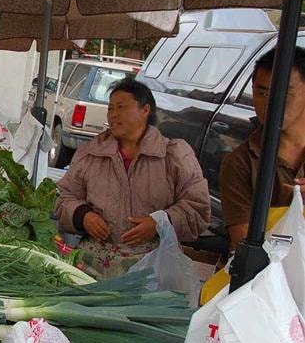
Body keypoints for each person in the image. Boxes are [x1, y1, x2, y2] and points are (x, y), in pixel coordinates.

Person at [55, 79, 210, 279]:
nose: (113, 115)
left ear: (145, 110)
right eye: (110, 109)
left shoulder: (174, 155)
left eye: (121, 107)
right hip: (92, 268)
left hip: (153, 269)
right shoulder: (90, 153)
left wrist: (159, 223)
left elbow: (198, 209)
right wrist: (83, 216)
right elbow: (64, 198)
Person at [221, 46, 305, 250]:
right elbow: (243, 249)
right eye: (262, 92)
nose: (271, 102)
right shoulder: (241, 164)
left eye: (284, 91)